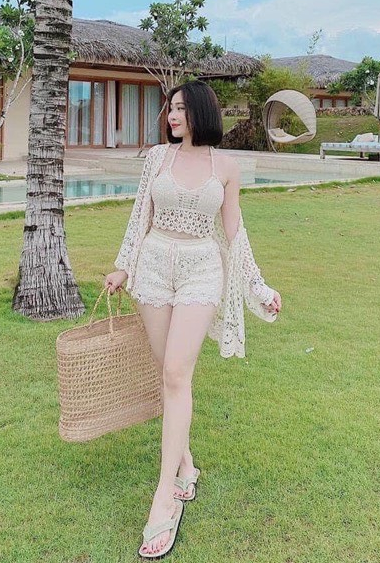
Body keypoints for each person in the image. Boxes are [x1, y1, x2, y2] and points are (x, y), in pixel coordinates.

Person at [104, 80, 282, 559]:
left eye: (181, 108)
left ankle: (165, 495)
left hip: (201, 270)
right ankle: (185, 465)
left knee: (177, 373)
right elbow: (139, 216)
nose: (172, 115)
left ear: (201, 112)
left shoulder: (226, 167)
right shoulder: (157, 159)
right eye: (170, 108)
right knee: (167, 374)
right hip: (153, 266)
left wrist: (258, 286)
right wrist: (123, 266)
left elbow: (235, 232)